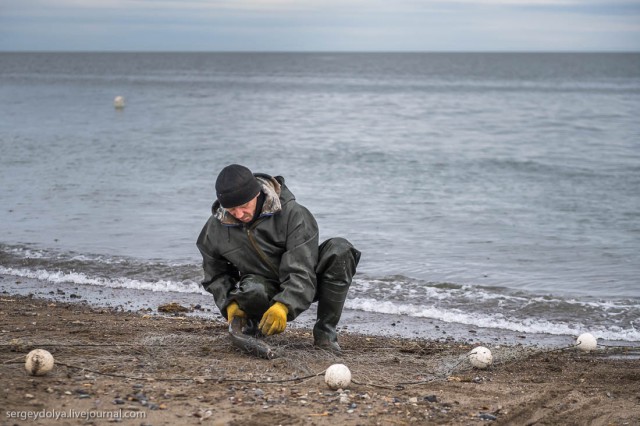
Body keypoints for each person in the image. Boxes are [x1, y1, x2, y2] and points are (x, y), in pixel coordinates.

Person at [196, 164, 361, 352]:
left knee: (341, 250)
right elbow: (214, 272)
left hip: (308, 281)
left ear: (256, 194)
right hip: (262, 287)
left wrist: (284, 305)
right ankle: (253, 326)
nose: (239, 215)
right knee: (251, 288)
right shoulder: (215, 227)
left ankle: (325, 335)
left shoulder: (294, 214)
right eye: (232, 210)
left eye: (243, 206)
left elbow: (302, 268)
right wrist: (229, 304)